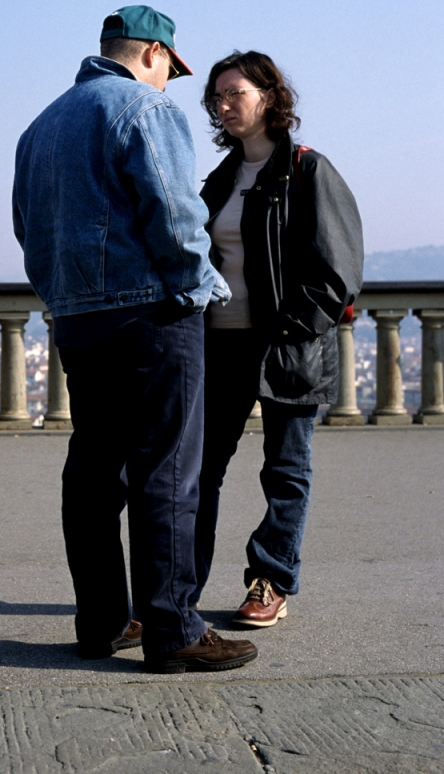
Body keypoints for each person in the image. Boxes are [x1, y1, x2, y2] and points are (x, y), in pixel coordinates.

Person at [13, 5, 258, 674]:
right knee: (168, 471)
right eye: (171, 71)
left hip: (79, 320)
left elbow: (26, 229)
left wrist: (67, 299)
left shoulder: (40, 128)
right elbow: (177, 218)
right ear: (154, 52)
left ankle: (101, 621)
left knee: (93, 471)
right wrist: (201, 289)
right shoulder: (146, 112)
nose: (170, 84)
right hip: (152, 314)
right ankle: (173, 628)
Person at [191, 50, 363, 627]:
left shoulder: (309, 170)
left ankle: (271, 579)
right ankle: (179, 586)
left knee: (286, 470)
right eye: (217, 95)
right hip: (219, 344)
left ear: (269, 95)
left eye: (235, 92)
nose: (223, 104)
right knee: (199, 468)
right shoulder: (218, 179)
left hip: (287, 345)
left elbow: (337, 272)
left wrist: (289, 327)